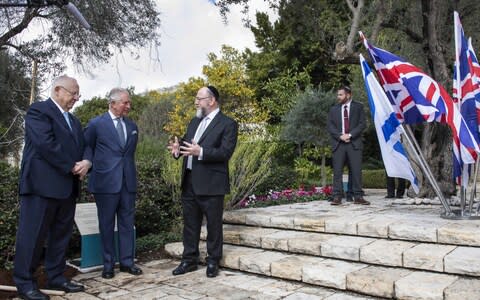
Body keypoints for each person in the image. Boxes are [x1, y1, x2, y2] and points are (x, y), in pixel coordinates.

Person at [14, 75, 89, 300]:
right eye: (73, 93)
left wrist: (86, 162)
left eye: (78, 94)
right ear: (57, 90)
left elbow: (83, 147)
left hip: (67, 187)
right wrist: (71, 166)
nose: (76, 98)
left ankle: (56, 277)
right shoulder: (38, 111)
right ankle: (25, 284)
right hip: (40, 186)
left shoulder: (74, 121)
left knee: (61, 236)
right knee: (32, 236)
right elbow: (45, 144)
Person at [167, 86, 238, 278]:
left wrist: (202, 152)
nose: (196, 102)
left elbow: (225, 152)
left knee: (214, 225)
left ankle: (213, 260)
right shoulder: (194, 121)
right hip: (189, 181)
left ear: (212, 100)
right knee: (190, 224)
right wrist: (177, 149)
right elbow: (187, 145)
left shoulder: (228, 124)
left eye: (199, 98)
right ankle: (189, 260)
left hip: (212, 183)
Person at [83, 88, 142, 279]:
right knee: (106, 225)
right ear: (113, 103)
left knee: (127, 224)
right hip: (105, 184)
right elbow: (87, 148)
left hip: (128, 184)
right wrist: (89, 166)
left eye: (129, 102)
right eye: (125, 103)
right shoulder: (96, 124)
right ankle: (107, 266)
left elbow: (128, 154)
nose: (128, 106)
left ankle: (127, 263)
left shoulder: (132, 126)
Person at [327, 86, 369, 206]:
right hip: (338, 144)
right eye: (338, 95)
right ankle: (337, 197)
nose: (338, 97)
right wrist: (340, 136)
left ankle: (358, 197)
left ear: (348, 95)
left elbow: (362, 124)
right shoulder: (333, 109)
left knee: (356, 171)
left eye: (340, 95)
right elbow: (330, 126)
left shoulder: (358, 107)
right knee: (337, 172)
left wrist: (350, 135)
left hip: (354, 143)